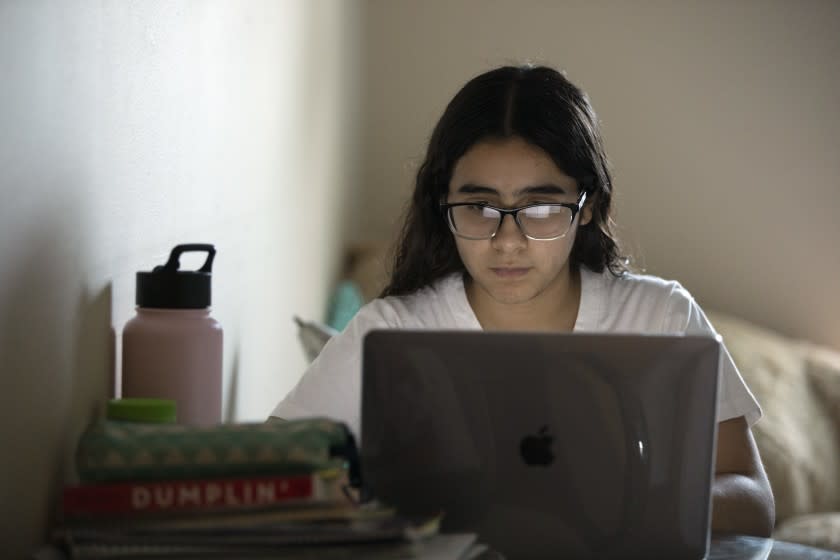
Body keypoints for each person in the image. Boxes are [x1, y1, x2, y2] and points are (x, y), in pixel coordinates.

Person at [270, 64, 775, 537]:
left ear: (587, 207)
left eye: (540, 207)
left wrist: (624, 502)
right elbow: (274, 466)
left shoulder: (661, 317)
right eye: (479, 206)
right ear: (441, 203)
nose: (506, 240)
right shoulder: (392, 330)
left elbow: (754, 502)